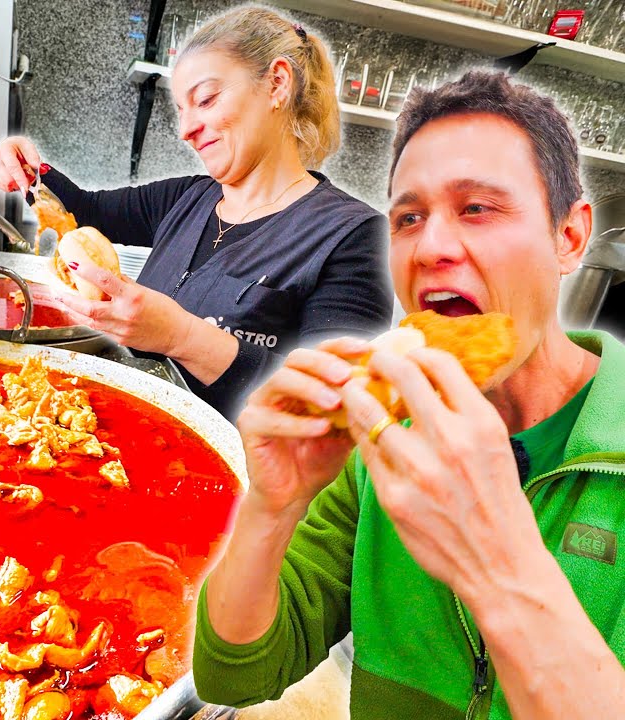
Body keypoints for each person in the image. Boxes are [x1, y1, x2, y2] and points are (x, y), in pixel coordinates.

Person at [192, 69, 625, 718]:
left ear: (569, 236)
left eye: (477, 208)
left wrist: (499, 567)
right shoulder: (380, 443)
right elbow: (234, 676)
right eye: (408, 218)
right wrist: (272, 506)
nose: (431, 247)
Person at [0, 5, 393, 418]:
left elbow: (332, 405)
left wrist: (181, 337)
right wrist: (27, 171)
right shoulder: (187, 198)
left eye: (206, 100)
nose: (186, 131)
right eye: (181, 110)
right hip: (121, 433)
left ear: (277, 83)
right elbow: (84, 211)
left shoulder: (351, 234)